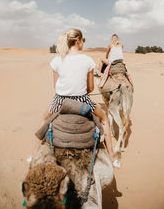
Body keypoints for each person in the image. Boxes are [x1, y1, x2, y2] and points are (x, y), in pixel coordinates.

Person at [39, 29, 120, 168]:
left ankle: (33, 154)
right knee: (104, 118)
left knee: (43, 119)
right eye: (83, 40)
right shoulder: (87, 60)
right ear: (78, 41)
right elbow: (90, 89)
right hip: (82, 101)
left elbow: (55, 86)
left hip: (60, 101)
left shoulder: (57, 60)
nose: (83, 43)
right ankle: (112, 157)